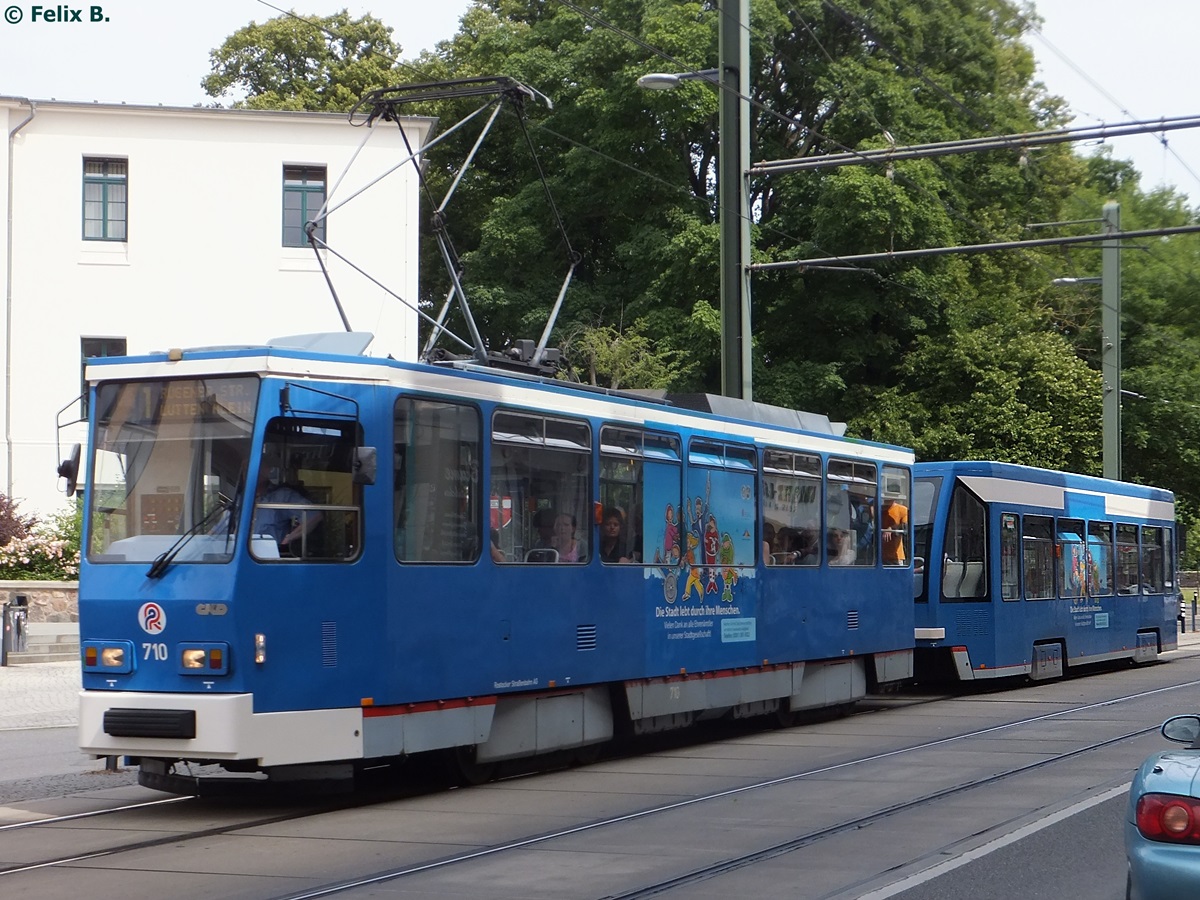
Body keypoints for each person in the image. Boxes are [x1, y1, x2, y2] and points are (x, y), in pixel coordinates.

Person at [252, 466, 322, 554]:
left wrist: (289, 538)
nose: (245, 474)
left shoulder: (280, 496)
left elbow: (314, 514)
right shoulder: (240, 499)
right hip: (240, 553)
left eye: (249, 468)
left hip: (269, 556)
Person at [881, 496, 909, 565]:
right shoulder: (879, 510)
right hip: (879, 556)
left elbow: (904, 526)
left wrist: (891, 528)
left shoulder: (902, 510)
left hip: (896, 556)